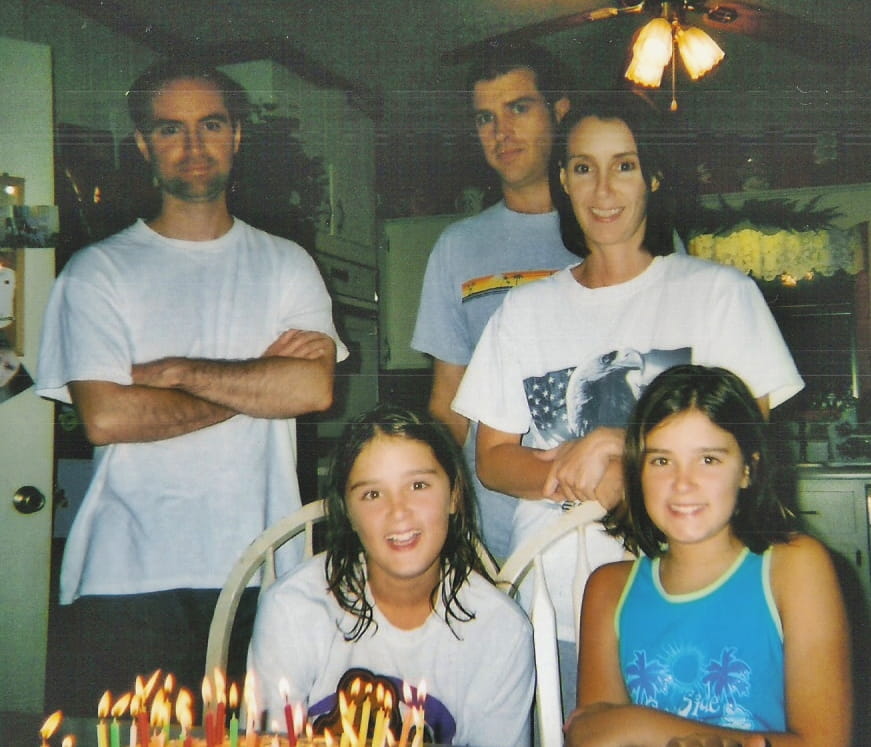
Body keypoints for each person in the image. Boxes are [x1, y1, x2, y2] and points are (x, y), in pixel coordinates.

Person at [452, 94, 804, 716]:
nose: (604, 189)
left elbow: (749, 445)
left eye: (626, 165)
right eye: (584, 167)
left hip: (691, 592)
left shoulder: (720, 296)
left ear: (654, 176)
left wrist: (624, 450)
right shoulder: (525, 311)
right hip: (553, 603)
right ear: (563, 181)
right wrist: (578, 466)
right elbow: (494, 460)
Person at [36, 58, 348, 711]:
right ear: (145, 145)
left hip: (261, 569)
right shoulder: (97, 273)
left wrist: (176, 372)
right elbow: (109, 419)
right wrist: (256, 378)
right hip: (125, 575)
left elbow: (311, 391)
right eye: (170, 129)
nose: (194, 145)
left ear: (236, 135)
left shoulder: (287, 265)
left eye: (210, 124)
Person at [564, 364, 852, 746]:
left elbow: (825, 742)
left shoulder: (795, 566)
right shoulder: (609, 588)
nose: (683, 483)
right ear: (638, 473)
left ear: (749, 469)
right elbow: (592, 737)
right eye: (661, 461)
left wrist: (637, 724)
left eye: (709, 460)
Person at [247, 404, 534, 747]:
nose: (398, 511)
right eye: (372, 494)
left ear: (454, 495)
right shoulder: (292, 610)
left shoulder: (501, 630)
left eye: (418, 485)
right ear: (348, 513)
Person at [412, 42, 577, 561]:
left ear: (560, 111)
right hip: (493, 528)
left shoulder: (624, 227)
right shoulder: (457, 247)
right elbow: (448, 399)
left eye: (518, 108)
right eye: (485, 117)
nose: (500, 132)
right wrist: (428, 494)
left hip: (610, 507)